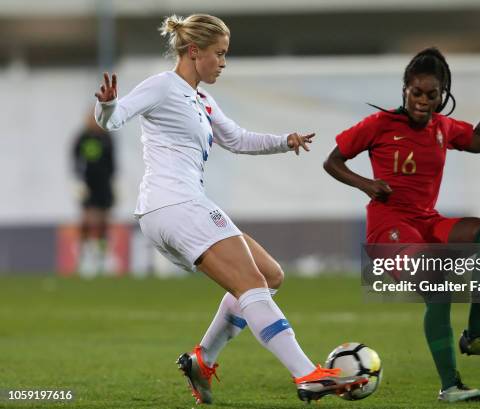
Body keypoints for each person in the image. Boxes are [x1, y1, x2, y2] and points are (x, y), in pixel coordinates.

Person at [93, 13, 367, 405]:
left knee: (270, 275)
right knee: (251, 284)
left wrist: (285, 141)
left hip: (179, 206)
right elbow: (115, 118)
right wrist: (106, 106)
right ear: (193, 51)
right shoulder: (162, 85)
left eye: (225, 54)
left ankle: (203, 360)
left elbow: (236, 139)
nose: (223, 62)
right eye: (219, 54)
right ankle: (307, 374)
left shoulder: (202, 99)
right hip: (173, 204)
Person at [323, 47, 480, 403]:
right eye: (417, 93)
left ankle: (475, 334)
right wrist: (366, 184)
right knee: (437, 287)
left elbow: (478, 141)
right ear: (404, 89)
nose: (423, 101)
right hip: (388, 231)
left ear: (443, 96)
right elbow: (332, 162)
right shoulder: (379, 125)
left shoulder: (443, 127)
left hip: (427, 222)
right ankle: (450, 385)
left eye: (432, 94)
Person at [72, 109, 115, 276]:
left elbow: (113, 164)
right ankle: (84, 257)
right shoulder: (82, 138)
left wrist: (115, 183)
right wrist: (77, 182)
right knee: (87, 221)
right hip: (88, 185)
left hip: (104, 186)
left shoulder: (107, 138)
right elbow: (75, 160)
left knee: (103, 222)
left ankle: (102, 258)